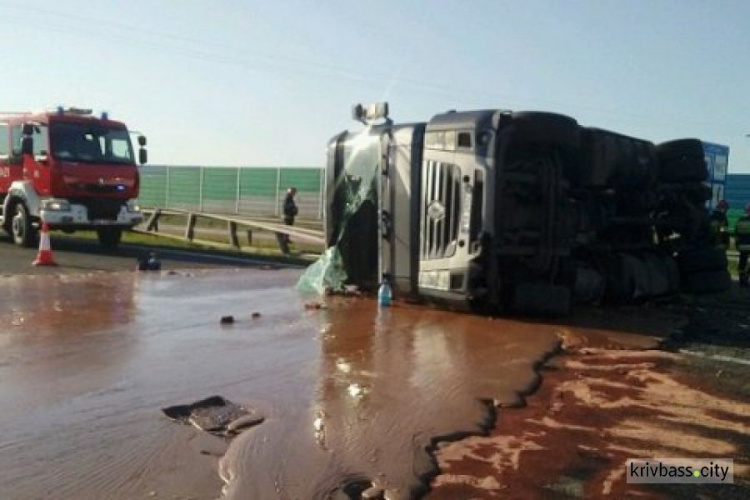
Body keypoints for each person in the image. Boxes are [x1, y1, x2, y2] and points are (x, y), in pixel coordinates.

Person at [735, 203, 750, 287]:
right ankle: (747, 276)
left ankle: (741, 279)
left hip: (742, 245)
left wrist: (737, 244)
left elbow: (736, 233)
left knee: (742, 262)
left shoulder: (740, 220)